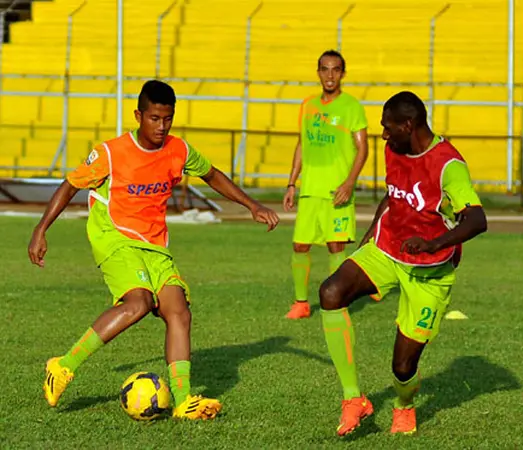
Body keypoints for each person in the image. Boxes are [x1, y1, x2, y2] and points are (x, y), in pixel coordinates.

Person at [30, 80, 280, 420]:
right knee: (139, 302)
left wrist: (252, 205)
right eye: (154, 118)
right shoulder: (110, 153)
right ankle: (63, 366)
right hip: (114, 236)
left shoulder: (178, 149)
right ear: (139, 115)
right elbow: (70, 185)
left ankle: (182, 400)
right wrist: (41, 230)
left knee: (178, 310)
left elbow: (213, 174)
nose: (161, 127)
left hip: (155, 243)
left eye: (167, 119)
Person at [317, 91, 487, 436]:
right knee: (331, 292)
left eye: (388, 127)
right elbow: (394, 194)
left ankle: (404, 405)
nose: (383, 134)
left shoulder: (449, 165)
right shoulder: (395, 148)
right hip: (386, 250)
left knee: (403, 365)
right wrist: (368, 238)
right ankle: (354, 399)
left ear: (409, 125)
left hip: (431, 270)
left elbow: (477, 220)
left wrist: (432, 243)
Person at [283, 49, 369, 320]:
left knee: (336, 246)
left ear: (343, 73)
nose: (330, 74)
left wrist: (349, 183)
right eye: (325, 69)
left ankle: (337, 301)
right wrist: (291, 183)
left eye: (335, 69)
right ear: (318, 72)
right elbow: (302, 145)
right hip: (310, 190)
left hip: (336, 191)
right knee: (300, 245)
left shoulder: (352, 107)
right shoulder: (308, 105)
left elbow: (363, 148)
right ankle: (300, 304)